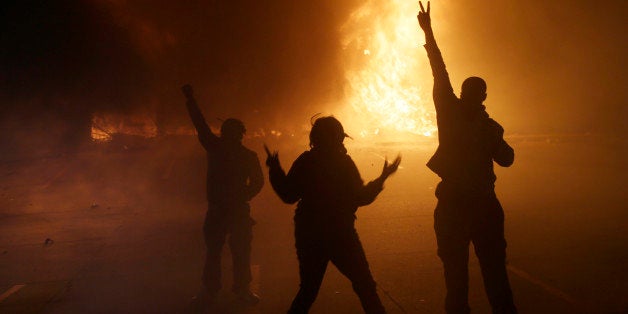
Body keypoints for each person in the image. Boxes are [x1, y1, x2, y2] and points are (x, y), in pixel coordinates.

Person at [417, 2, 517, 314]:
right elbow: (439, 71)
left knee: (471, 277)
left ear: (467, 93)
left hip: (468, 205)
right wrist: (429, 34)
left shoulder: (475, 122)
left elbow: (507, 158)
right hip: (471, 205)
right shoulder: (469, 120)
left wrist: (430, 33)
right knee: (478, 276)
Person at [265, 116, 401, 314]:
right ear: (339, 138)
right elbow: (360, 197)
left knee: (308, 291)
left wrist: (275, 170)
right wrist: (383, 177)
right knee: (365, 286)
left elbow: (288, 195)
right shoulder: (343, 163)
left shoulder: (306, 161)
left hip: (309, 233)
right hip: (341, 234)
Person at [181, 84, 264, 307]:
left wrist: (190, 99)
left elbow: (200, 125)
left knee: (221, 252)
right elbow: (258, 183)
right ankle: (236, 290)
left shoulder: (218, 148)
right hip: (229, 209)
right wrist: (243, 196)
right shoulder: (243, 154)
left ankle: (213, 291)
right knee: (233, 252)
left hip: (226, 209)